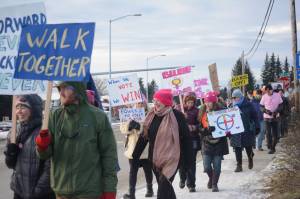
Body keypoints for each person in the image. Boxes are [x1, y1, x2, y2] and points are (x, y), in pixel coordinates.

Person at [35, 81, 118, 199]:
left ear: (77, 90)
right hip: (61, 193)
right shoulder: (54, 116)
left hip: (90, 193)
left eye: (65, 88)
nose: (61, 93)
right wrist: (42, 145)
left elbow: (109, 156)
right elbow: (44, 155)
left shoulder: (97, 117)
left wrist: (109, 190)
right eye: (60, 89)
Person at [132, 89, 193, 199]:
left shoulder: (178, 116)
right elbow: (144, 137)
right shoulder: (151, 115)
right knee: (166, 188)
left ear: (166, 101)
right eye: (154, 100)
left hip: (173, 159)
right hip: (156, 160)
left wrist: (189, 161)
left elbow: (187, 139)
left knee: (162, 189)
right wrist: (135, 155)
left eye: (158, 100)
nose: (155, 103)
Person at [4, 95, 55, 199]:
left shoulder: (44, 132)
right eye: (17, 107)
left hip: (40, 194)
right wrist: (10, 154)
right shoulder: (14, 131)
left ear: (34, 110)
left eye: (23, 107)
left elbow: (50, 166)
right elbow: (10, 165)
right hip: (19, 191)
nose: (19, 111)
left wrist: (38, 191)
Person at [120, 102, 153, 199]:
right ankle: (132, 193)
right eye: (138, 103)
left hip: (145, 148)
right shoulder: (129, 114)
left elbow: (150, 130)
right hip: (133, 149)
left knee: (148, 170)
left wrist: (139, 127)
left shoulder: (149, 115)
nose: (140, 105)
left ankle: (149, 189)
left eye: (142, 103)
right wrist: (129, 126)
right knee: (132, 172)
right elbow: (123, 129)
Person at [198, 91, 229, 192]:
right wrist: (206, 130)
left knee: (217, 166)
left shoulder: (222, 111)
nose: (208, 104)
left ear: (214, 102)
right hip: (206, 142)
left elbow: (228, 124)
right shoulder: (202, 112)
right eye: (206, 102)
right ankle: (211, 178)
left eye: (210, 102)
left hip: (219, 143)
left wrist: (228, 132)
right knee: (206, 167)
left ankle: (215, 184)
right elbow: (199, 127)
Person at [230, 89, 260, 172]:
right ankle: (239, 165)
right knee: (237, 148)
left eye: (235, 97)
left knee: (248, 147)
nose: (234, 99)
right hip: (235, 131)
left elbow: (255, 116)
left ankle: (250, 158)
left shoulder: (248, 105)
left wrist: (257, 127)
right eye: (233, 98)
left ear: (240, 97)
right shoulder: (232, 106)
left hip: (246, 129)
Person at [179, 92, 200, 192]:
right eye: (188, 102)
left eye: (192, 102)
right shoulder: (180, 110)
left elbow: (200, 125)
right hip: (181, 140)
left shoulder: (197, 111)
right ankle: (182, 178)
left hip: (193, 139)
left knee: (192, 162)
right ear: (185, 102)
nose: (190, 104)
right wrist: (182, 117)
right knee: (182, 161)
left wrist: (193, 127)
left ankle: (191, 184)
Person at [260, 84, 283, 154]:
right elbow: (261, 106)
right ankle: (270, 146)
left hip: (275, 117)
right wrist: (266, 111)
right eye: (266, 91)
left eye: (268, 91)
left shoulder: (277, 95)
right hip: (267, 117)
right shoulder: (264, 96)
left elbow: (281, 105)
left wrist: (277, 111)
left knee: (276, 135)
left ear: (271, 90)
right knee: (268, 133)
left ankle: (273, 147)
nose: (267, 93)